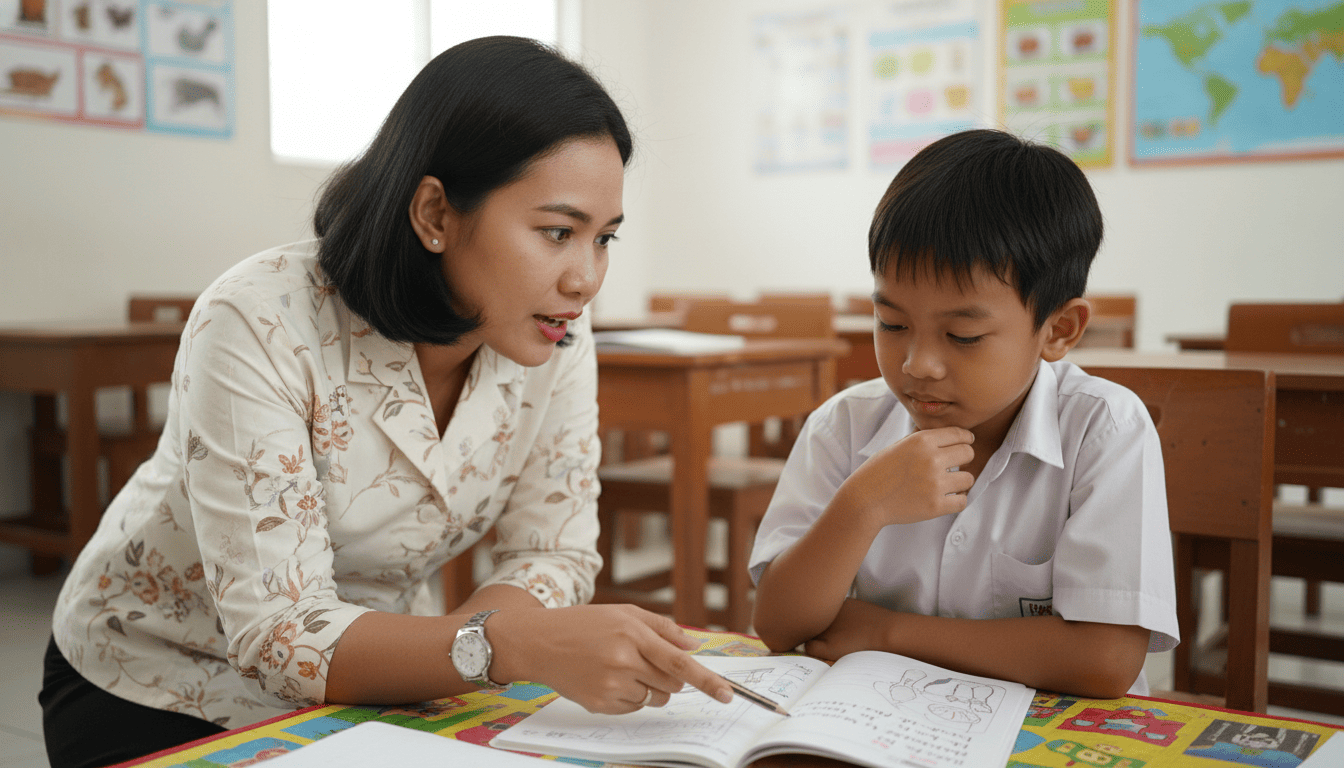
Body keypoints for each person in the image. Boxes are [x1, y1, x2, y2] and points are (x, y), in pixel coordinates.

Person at [42, 36, 731, 768]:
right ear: (435, 213)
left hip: (387, 681)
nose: (585, 279)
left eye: (604, 239)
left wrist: (483, 646)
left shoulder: (554, 330)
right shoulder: (259, 321)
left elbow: (552, 549)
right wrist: (504, 645)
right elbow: (280, 633)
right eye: (558, 232)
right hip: (158, 682)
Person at [749, 129, 1179, 698]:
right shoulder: (844, 426)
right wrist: (863, 506)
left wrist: (887, 632)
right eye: (892, 324)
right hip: (883, 724)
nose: (918, 364)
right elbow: (779, 624)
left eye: (963, 335)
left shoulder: (1104, 429)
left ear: (1058, 329)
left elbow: (1105, 659)